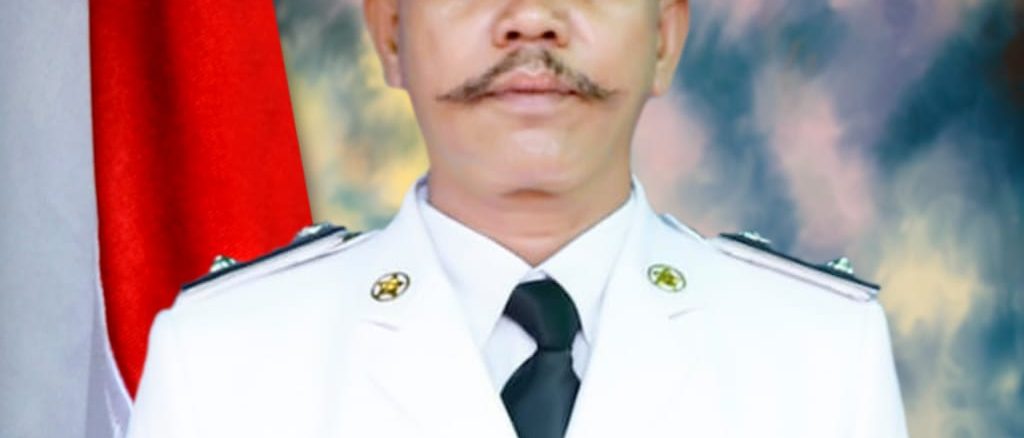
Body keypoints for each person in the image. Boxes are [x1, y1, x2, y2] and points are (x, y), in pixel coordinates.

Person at [126, 0, 908, 436]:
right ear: (391, 33)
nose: (531, 19)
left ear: (664, 38)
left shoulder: (818, 354)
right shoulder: (226, 362)